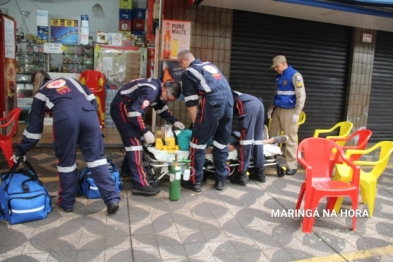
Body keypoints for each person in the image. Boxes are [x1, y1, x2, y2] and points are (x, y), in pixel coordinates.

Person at [12, 70, 120, 214]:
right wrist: (93, 128)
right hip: (89, 115)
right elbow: (93, 100)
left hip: (65, 118)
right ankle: (112, 198)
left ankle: (67, 202)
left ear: (34, 83)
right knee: (97, 160)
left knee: (66, 163)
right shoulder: (73, 81)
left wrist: (21, 151)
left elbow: (34, 131)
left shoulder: (41, 93)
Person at [110, 78, 184, 196]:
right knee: (134, 144)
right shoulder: (152, 90)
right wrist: (145, 131)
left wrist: (174, 121)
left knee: (135, 142)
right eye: (168, 98)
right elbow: (134, 113)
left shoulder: (158, 90)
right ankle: (140, 184)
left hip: (129, 108)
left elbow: (161, 108)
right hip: (122, 108)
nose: (167, 101)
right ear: (165, 89)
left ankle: (127, 171)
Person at [177, 50, 233, 191]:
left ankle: (195, 182)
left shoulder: (188, 72)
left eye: (181, 64)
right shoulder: (209, 65)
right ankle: (221, 180)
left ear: (183, 62)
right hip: (229, 102)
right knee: (221, 142)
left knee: (197, 143)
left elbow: (191, 102)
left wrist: (197, 125)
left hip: (213, 104)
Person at [267, 55, 306, 176]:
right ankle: (270, 160)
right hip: (278, 109)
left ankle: (292, 165)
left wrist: (297, 113)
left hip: (290, 110)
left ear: (283, 63)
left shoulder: (295, 76)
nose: (275, 69)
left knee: (290, 138)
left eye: (277, 66)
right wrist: (271, 108)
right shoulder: (279, 77)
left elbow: (301, 96)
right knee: (273, 135)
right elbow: (277, 94)